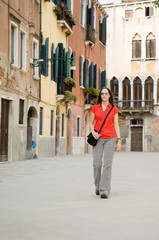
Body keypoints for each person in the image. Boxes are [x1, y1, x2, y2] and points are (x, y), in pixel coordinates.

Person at [89, 87, 121, 199]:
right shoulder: (95, 108)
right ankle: (98, 186)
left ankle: (104, 190)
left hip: (111, 138)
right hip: (98, 138)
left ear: (109, 96)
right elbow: (90, 123)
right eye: (102, 93)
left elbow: (116, 125)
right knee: (96, 164)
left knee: (107, 165)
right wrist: (93, 133)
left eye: (106, 93)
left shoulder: (113, 109)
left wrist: (119, 140)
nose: (104, 95)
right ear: (100, 96)